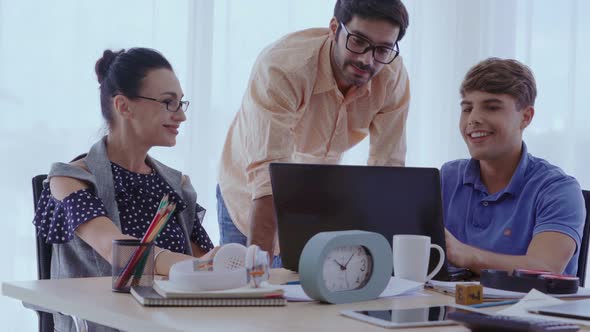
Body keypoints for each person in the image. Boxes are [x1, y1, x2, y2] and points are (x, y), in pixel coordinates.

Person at [33, 48, 214, 331]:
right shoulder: (70, 179)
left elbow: (206, 263)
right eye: (168, 103)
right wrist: (198, 268)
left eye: (181, 103)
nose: (181, 116)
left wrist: (230, 264)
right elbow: (118, 252)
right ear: (123, 106)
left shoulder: (177, 185)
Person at [217, 0, 411, 263]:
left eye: (383, 49)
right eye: (358, 41)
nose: (367, 59)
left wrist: (384, 264)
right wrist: (257, 285)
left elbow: (387, 172)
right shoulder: (283, 69)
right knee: (245, 290)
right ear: (334, 28)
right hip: (248, 192)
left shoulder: (391, 77)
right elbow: (268, 178)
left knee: (306, 297)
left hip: (312, 198)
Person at [441, 57, 585, 276]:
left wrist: (467, 255)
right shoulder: (446, 177)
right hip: (450, 307)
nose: (474, 119)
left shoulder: (559, 189)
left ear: (525, 117)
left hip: (529, 310)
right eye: (467, 109)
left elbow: (546, 267)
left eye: (491, 107)